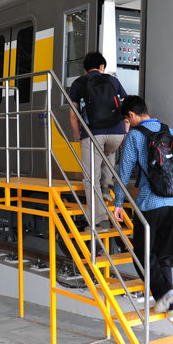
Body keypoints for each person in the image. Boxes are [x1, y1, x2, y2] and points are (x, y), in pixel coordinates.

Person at [112, 95, 173, 319]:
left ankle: (164, 296)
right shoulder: (171, 131)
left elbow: (124, 172)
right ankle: (171, 307)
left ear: (131, 115)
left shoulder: (136, 136)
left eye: (127, 121)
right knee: (164, 256)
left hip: (150, 203)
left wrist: (118, 202)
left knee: (141, 254)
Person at [69, 52, 127, 229]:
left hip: (93, 133)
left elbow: (73, 115)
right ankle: (105, 186)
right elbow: (125, 109)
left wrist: (80, 135)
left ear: (85, 69)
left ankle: (98, 221)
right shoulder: (113, 81)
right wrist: (124, 133)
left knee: (89, 179)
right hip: (116, 133)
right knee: (108, 152)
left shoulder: (79, 83)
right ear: (102, 67)